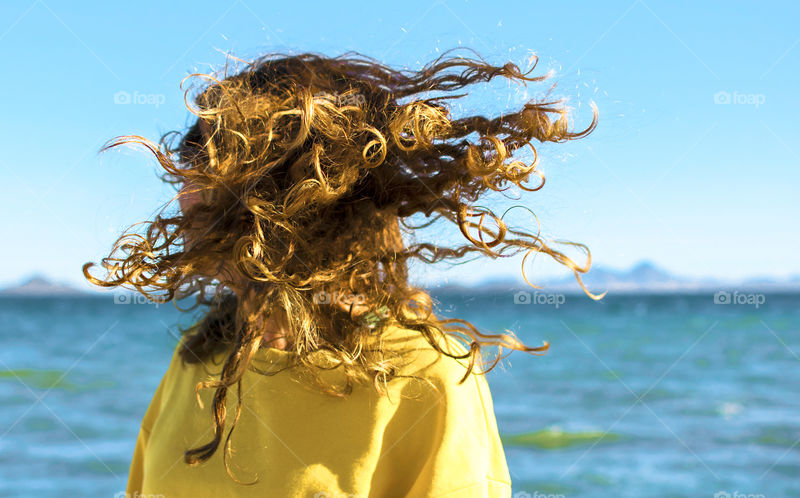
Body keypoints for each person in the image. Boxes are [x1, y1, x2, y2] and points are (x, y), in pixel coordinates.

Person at [84, 48, 598, 497]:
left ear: (289, 200)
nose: (183, 193)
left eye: (207, 167)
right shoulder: (201, 356)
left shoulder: (423, 378)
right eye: (188, 163)